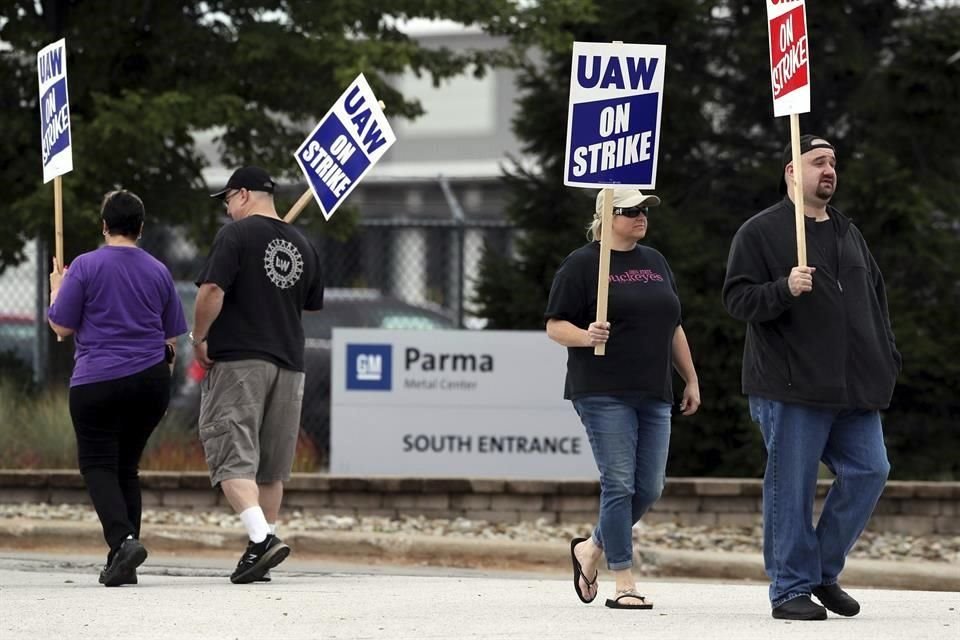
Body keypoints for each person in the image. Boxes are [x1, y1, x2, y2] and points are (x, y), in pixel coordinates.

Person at [722, 135, 899, 620]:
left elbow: (876, 302)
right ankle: (789, 588)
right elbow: (737, 300)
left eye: (834, 163)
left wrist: (888, 358)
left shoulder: (848, 232)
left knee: (870, 471)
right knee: (791, 487)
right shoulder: (760, 232)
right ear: (790, 171)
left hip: (854, 387)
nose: (829, 170)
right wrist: (783, 288)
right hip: (791, 385)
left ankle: (820, 571)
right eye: (818, 161)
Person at [545, 188, 700, 610]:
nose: (640, 217)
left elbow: (674, 326)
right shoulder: (582, 264)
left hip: (653, 390)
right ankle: (624, 580)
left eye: (644, 210)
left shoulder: (656, 262)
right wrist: (584, 335)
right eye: (629, 210)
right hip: (602, 389)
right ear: (607, 214)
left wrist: (690, 378)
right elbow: (555, 326)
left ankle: (590, 549)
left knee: (648, 487)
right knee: (619, 483)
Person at [47, 189, 187, 587]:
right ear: (140, 228)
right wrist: (161, 374)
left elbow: (61, 325)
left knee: (97, 464)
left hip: (98, 379)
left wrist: (57, 287)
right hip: (150, 381)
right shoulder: (159, 270)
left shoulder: (86, 267)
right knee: (127, 466)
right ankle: (122, 560)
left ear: (104, 225)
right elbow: (172, 337)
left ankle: (123, 540)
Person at [192, 166, 324, 584]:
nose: (228, 209)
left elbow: (211, 290)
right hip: (289, 362)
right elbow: (307, 302)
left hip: (239, 360)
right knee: (270, 468)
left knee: (231, 454)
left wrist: (199, 336)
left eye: (228, 200)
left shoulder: (236, 236)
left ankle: (261, 538)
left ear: (244, 194)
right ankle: (259, 549)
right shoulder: (303, 244)